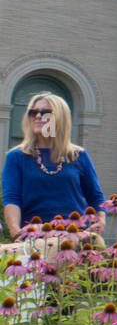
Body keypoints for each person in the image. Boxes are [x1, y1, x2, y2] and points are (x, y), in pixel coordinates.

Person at [3, 93, 107, 239]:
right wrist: (16, 232)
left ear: (60, 118)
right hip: (35, 238)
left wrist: (100, 220)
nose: (38, 116)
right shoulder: (17, 157)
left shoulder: (77, 155)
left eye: (45, 112)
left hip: (76, 237)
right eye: (33, 112)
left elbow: (96, 197)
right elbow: (11, 199)